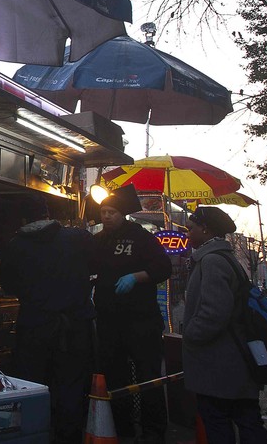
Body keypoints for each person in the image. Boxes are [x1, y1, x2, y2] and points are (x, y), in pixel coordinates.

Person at [0, 195, 95, 444]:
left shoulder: (15, 245)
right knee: (71, 386)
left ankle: (34, 436)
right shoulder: (78, 238)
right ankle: (68, 438)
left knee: (31, 386)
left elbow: (8, 285)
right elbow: (97, 266)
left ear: (22, 219)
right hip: (75, 327)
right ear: (48, 214)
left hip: (34, 326)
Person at [91, 184, 172, 444]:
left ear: (122, 214)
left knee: (148, 377)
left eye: (112, 212)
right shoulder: (98, 239)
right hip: (108, 320)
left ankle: (153, 431)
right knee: (114, 376)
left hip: (141, 320)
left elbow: (163, 267)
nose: (106, 216)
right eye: (103, 211)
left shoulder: (140, 237)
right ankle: (120, 426)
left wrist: (136, 278)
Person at [183, 206, 267, 443]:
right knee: (248, 418)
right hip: (235, 359)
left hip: (220, 362)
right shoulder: (226, 258)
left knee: (218, 421)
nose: (187, 233)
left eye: (191, 228)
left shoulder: (211, 261)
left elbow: (213, 312)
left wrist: (190, 334)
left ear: (205, 229)